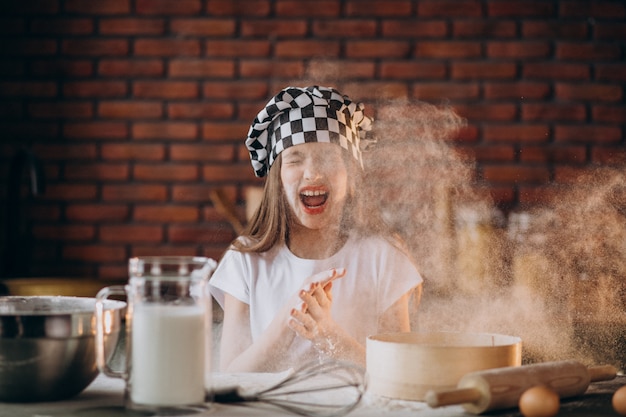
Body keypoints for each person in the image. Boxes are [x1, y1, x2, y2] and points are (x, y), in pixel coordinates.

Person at [209, 86, 423, 372]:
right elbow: (231, 378)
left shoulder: (383, 258)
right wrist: (290, 318)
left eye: (327, 157)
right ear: (278, 178)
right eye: (295, 159)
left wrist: (328, 335)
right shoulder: (245, 261)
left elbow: (402, 374)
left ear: (351, 176)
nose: (312, 173)